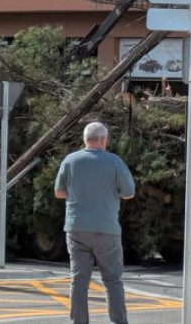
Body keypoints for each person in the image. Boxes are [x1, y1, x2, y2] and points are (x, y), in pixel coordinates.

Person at [54, 121, 136, 324]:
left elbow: (59, 192)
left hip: (76, 228)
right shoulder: (115, 162)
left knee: (79, 281)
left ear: (85, 140)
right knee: (113, 280)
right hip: (106, 229)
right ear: (103, 140)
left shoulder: (70, 161)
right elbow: (129, 193)